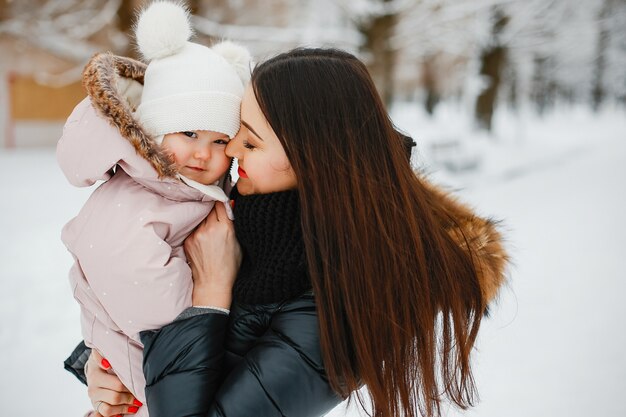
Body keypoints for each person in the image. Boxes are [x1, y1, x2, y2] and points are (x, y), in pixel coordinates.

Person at [65, 47, 509, 417]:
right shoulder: (257, 217)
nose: (231, 150)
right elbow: (145, 298)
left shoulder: (347, 300)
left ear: (314, 160)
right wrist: (108, 366)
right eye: (235, 132)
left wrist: (212, 296)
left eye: (250, 141)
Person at [58, 3, 251, 416]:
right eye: (189, 132)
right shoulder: (141, 195)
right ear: (154, 128)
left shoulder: (185, 190)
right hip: (146, 367)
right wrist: (203, 309)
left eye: (220, 141)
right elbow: (133, 275)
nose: (203, 153)